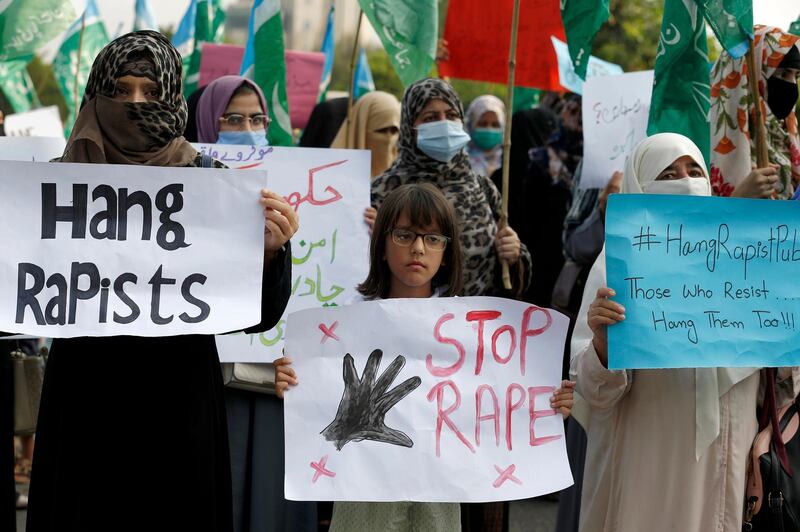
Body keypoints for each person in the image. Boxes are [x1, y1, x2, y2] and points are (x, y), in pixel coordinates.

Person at [25, 31, 297, 532]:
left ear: (172, 97)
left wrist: (270, 255)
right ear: (95, 95)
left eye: (150, 92)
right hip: (85, 402)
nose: (134, 104)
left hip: (179, 402)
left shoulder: (211, 180)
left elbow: (258, 313)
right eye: (121, 90)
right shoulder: (57, 183)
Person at [274, 183, 575, 532]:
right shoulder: (345, 326)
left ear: (446, 252)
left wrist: (548, 404)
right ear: (382, 245)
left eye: (433, 238)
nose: (418, 248)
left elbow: (501, 402)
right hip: (365, 492)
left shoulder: (471, 331)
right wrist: (292, 382)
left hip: (440, 494)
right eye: (404, 235)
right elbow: (317, 414)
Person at [571, 133, 761, 531]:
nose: (686, 181)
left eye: (694, 170)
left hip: (732, 452)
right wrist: (605, 346)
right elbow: (592, 392)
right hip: (648, 461)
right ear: (640, 184)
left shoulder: (744, 261)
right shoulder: (615, 267)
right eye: (668, 173)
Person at [193, 73, 317, 532]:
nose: (247, 129)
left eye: (257, 118)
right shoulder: (181, 185)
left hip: (277, 386)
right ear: (206, 122)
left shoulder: (284, 188)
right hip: (209, 391)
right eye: (233, 118)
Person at [371, 78, 531, 301]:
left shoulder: (483, 188)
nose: (444, 124)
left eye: (452, 115)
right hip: (405, 323)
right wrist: (374, 236)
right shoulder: (380, 192)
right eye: (430, 118)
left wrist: (513, 254)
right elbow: (360, 270)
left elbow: (507, 276)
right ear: (409, 127)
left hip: (476, 325)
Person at [709, 25, 799, 199]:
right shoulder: (702, 143)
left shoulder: (787, 140)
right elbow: (697, 223)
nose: (792, 85)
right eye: (782, 74)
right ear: (751, 78)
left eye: (796, 76)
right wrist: (740, 198)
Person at [330, 91, 401, 179]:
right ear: (361, 129)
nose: (389, 138)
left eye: (394, 131)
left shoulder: (405, 177)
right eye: (381, 130)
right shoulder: (333, 176)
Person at [464, 94, 505, 177]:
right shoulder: (459, 161)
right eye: (483, 124)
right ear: (471, 125)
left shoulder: (509, 161)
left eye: (495, 125)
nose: (489, 129)